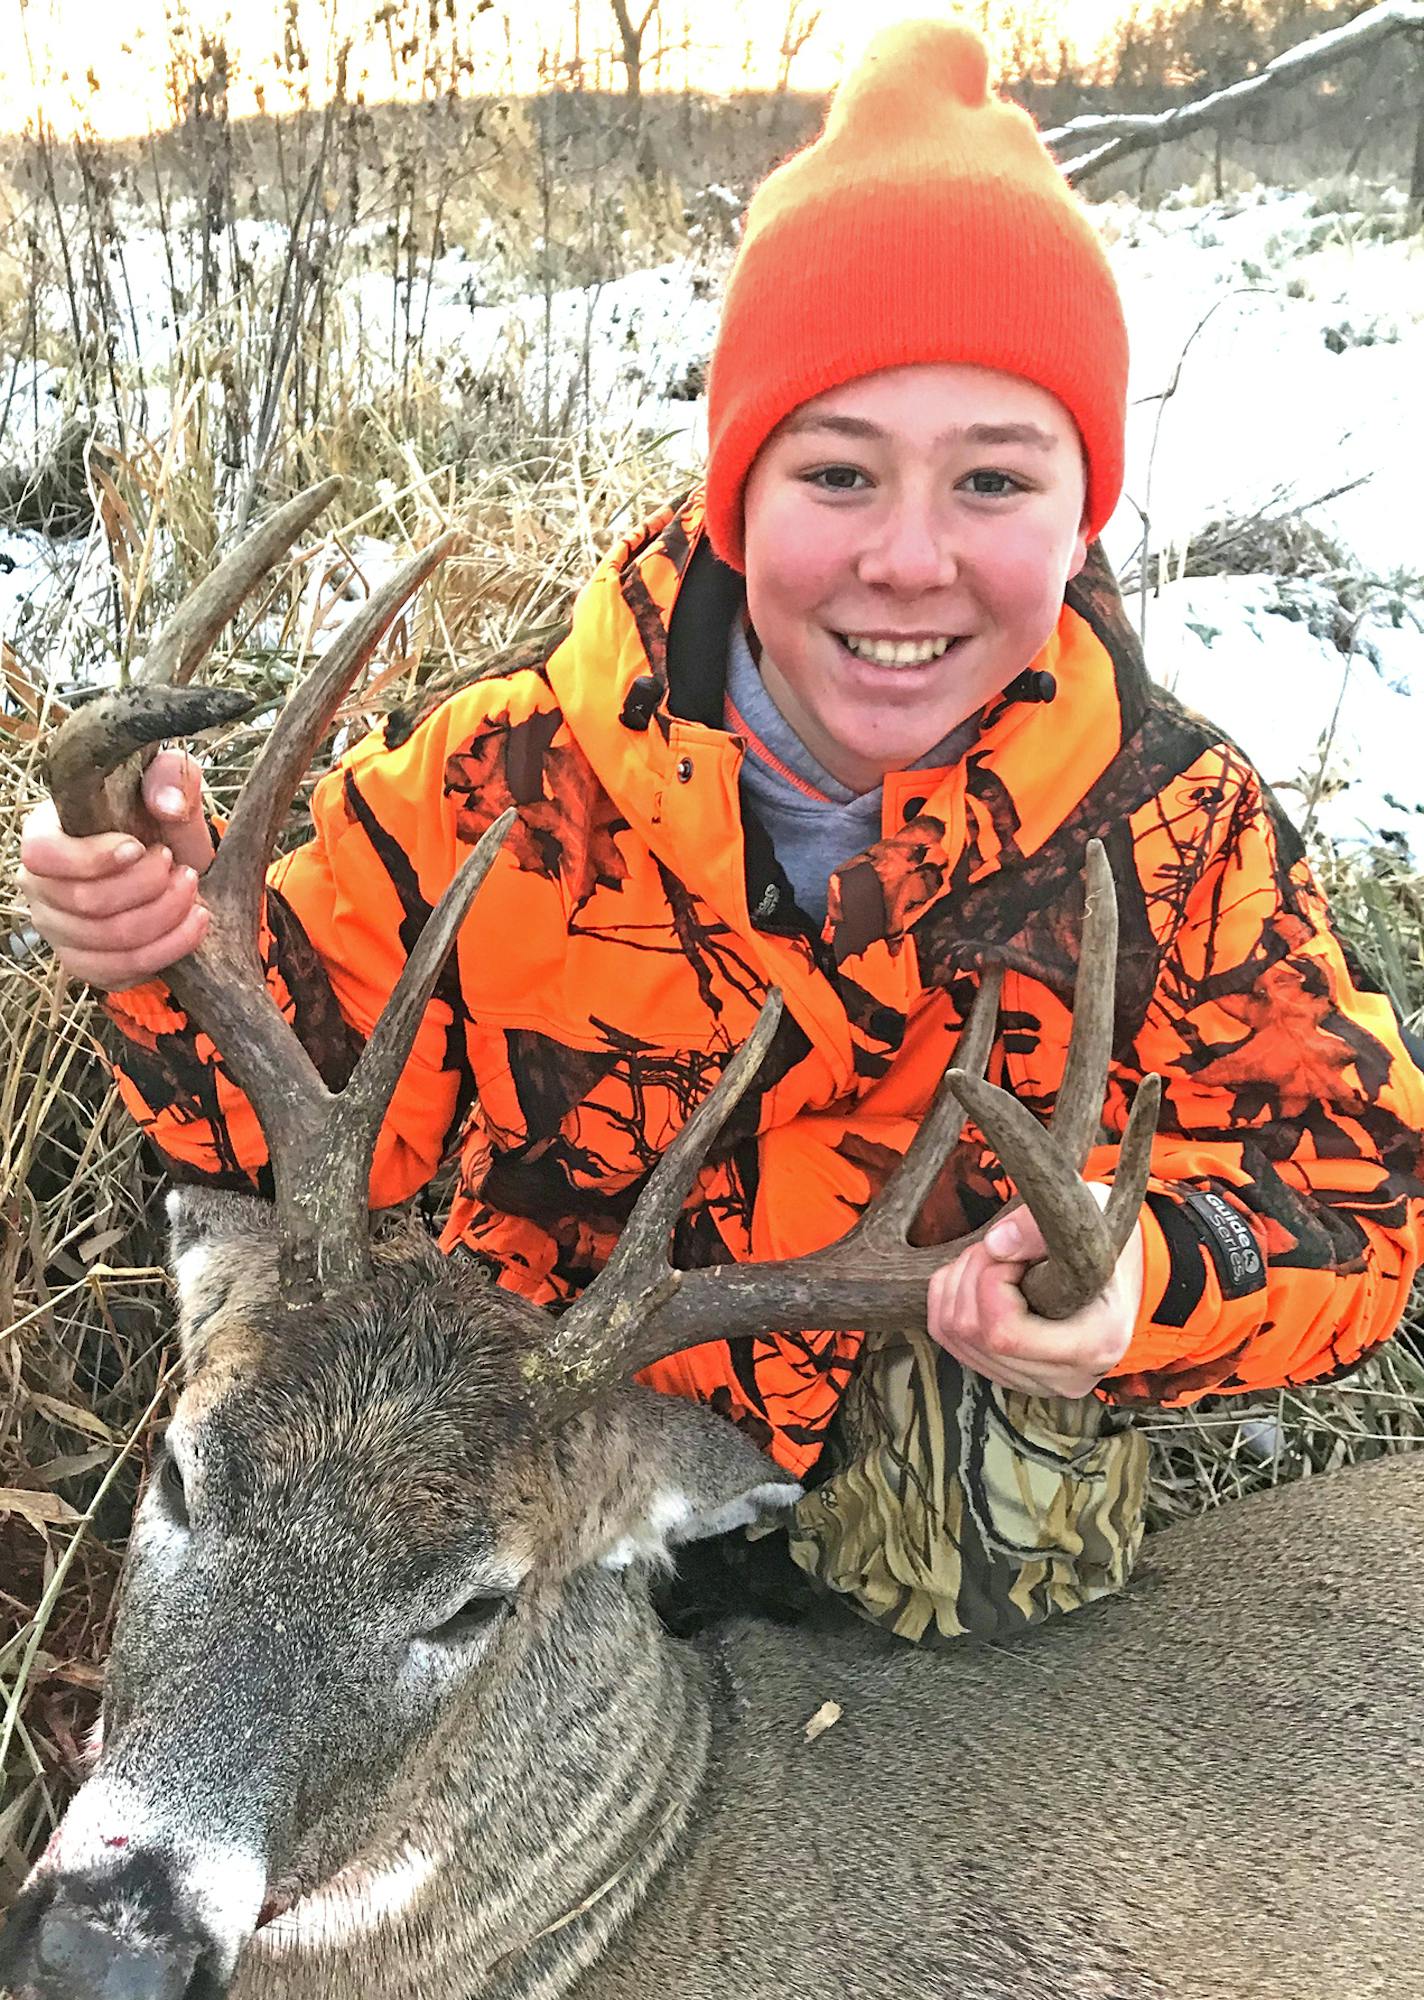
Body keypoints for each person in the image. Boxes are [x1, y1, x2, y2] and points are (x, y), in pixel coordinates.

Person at [18, 18, 1424, 1644]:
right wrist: (163, 951)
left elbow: (1368, 1202)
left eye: (993, 481)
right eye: (835, 472)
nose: (908, 560)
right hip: (540, 1473)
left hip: (905, 1528)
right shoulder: (504, 778)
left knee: (988, 1525)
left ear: (1085, 508)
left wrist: (1138, 1286)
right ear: (733, 493)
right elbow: (282, 1131)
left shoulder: (1177, 836)